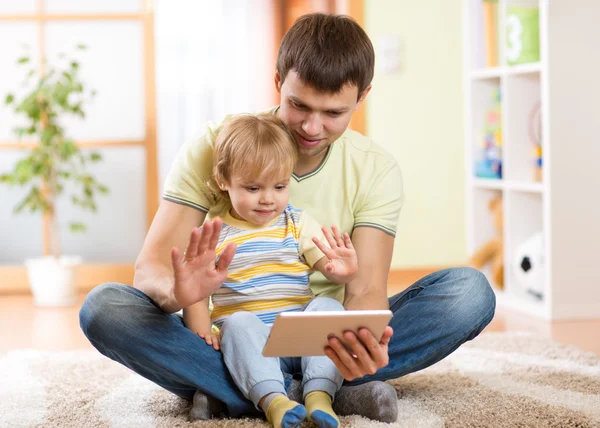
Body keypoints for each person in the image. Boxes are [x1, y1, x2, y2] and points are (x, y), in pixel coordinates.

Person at [79, 12, 495, 423]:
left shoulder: (375, 169)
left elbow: (365, 289)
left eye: (334, 113)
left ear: (362, 97)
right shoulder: (214, 147)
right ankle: (325, 393)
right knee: (104, 309)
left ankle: (247, 393)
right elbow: (150, 268)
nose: (312, 127)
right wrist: (180, 295)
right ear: (278, 81)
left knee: (468, 294)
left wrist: (364, 341)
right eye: (299, 105)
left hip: (326, 334)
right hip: (232, 334)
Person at [183, 112, 359, 428]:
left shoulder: (297, 223)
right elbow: (195, 294)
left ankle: (319, 393)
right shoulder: (216, 233)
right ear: (224, 181)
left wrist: (343, 271)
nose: (268, 199)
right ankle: (274, 401)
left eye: (279, 186)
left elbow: (329, 268)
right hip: (251, 347)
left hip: (300, 340)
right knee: (237, 323)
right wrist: (202, 334)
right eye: (253, 188)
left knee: (330, 307)